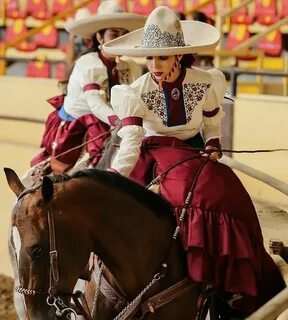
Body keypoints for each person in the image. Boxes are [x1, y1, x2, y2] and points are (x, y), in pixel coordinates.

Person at [103, 6, 285, 317]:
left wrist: (214, 142)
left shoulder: (206, 82)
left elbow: (211, 122)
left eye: (161, 57)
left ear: (177, 56)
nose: (155, 64)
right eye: (150, 58)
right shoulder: (134, 92)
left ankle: (230, 281)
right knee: (192, 192)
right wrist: (114, 176)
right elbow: (132, 140)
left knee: (230, 193)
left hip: (193, 150)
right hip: (154, 151)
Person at [22, 1, 145, 187]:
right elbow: (94, 102)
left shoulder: (131, 67)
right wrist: (118, 121)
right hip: (78, 127)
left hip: (112, 123)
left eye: (122, 35)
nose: (118, 39)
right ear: (100, 37)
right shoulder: (88, 63)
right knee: (78, 174)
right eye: (113, 34)